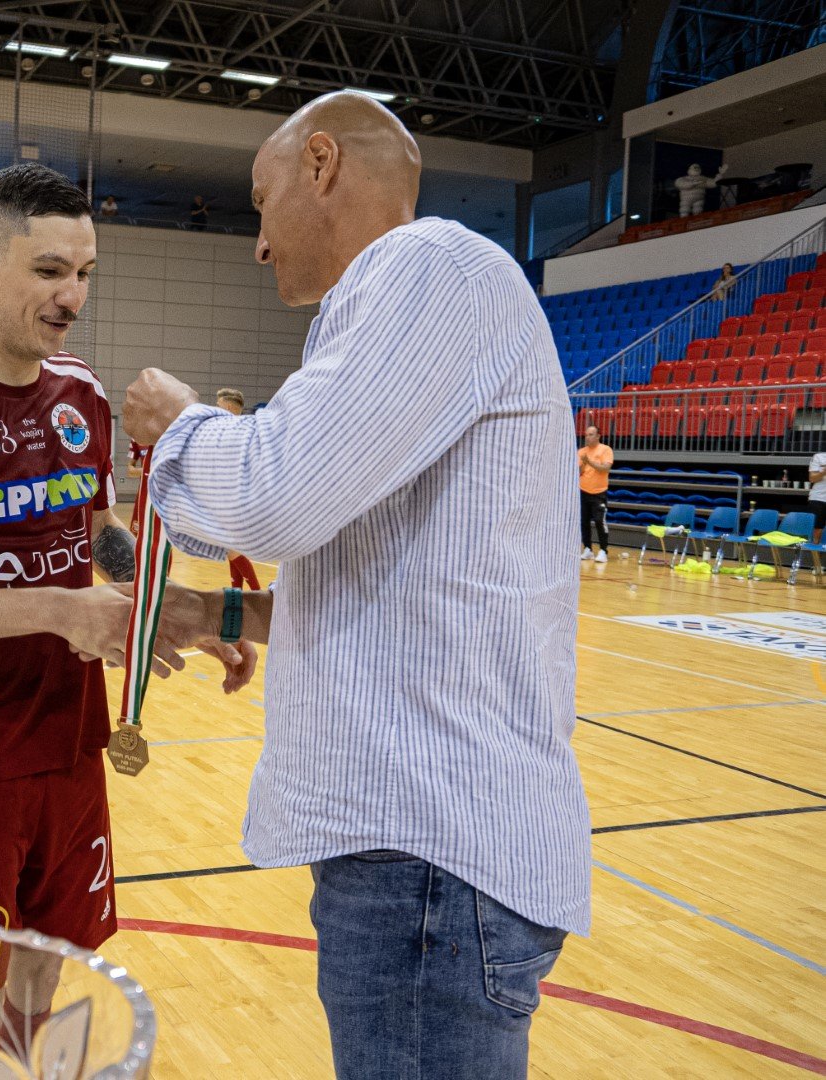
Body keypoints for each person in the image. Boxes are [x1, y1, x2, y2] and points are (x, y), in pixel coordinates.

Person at [119, 91, 588, 1080]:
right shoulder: (408, 303)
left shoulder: (426, 271)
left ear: (321, 162)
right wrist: (218, 611)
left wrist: (180, 421)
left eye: (260, 201)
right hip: (426, 859)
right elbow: (394, 582)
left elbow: (273, 501)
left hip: (430, 855)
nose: (256, 242)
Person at [0, 162, 241, 1070]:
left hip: (70, 745)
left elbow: (99, 534)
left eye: (86, 273)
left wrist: (166, 612)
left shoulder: (79, 393)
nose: (74, 296)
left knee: (47, 977)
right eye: (51, 271)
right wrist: (62, 611)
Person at [214, 388, 262, 590]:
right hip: (230, 495)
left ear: (228, 407)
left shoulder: (240, 430)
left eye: (218, 405)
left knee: (231, 549)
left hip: (236, 497)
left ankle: (258, 594)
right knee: (230, 549)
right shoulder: (234, 429)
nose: (216, 409)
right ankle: (240, 594)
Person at [578, 425, 613, 563]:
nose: (587, 437)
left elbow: (605, 468)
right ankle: (587, 549)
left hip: (599, 492)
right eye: (586, 434)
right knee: (583, 522)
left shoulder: (605, 450)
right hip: (583, 491)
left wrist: (590, 462)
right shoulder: (581, 452)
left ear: (598, 436)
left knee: (599, 521)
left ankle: (603, 550)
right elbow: (579, 471)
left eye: (591, 434)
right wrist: (583, 464)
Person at [808, 450, 826, 544]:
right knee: (817, 528)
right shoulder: (819, 457)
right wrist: (823, 472)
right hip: (818, 498)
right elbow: (812, 478)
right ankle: (815, 556)